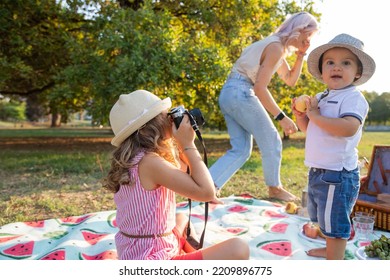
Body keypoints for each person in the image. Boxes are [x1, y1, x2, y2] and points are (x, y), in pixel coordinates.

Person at [102, 89, 250, 260]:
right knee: (238, 248)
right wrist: (188, 143)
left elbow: (188, 173)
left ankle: (192, 257)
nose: (170, 119)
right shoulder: (151, 163)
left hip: (133, 250)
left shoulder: (137, 158)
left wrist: (179, 143)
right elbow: (205, 192)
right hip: (153, 257)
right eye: (165, 115)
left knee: (180, 218)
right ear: (147, 129)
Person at [209, 11, 319, 202]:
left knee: (241, 149)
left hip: (229, 93)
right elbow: (260, 88)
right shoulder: (275, 47)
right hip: (240, 91)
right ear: (299, 29)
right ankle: (275, 188)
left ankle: (207, 187)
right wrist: (282, 118)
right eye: (308, 35)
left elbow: (290, 80)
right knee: (272, 138)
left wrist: (301, 56)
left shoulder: (276, 47)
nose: (309, 40)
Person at [292, 33, 376, 259]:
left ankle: (335, 258)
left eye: (345, 63)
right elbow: (312, 129)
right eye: (330, 62)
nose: (336, 67)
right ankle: (330, 249)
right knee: (323, 216)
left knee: (336, 219)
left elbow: (348, 127)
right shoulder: (321, 97)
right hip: (319, 170)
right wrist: (302, 116)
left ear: (357, 72)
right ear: (322, 71)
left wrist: (315, 114)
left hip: (338, 173)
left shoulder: (353, 98)